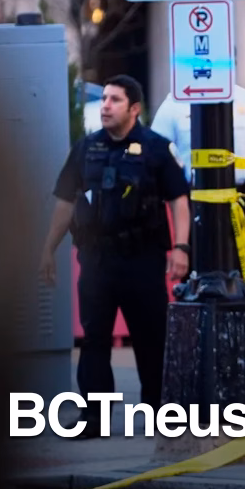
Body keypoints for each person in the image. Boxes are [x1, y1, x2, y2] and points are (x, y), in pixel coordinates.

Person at [38, 74, 191, 437]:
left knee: (151, 339)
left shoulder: (157, 149)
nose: (105, 105)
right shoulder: (86, 148)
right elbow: (64, 201)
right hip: (97, 260)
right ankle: (95, 417)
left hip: (143, 258)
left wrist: (182, 248)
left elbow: (178, 201)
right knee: (94, 340)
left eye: (115, 100)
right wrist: (48, 248)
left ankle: (159, 413)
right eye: (104, 99)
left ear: (134, 109)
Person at [151, 83, 245, 407]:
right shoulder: (174, 103)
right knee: (198, 294)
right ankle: (200, 384)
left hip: (243, 204)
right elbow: (155, 161)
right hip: (197, 205)